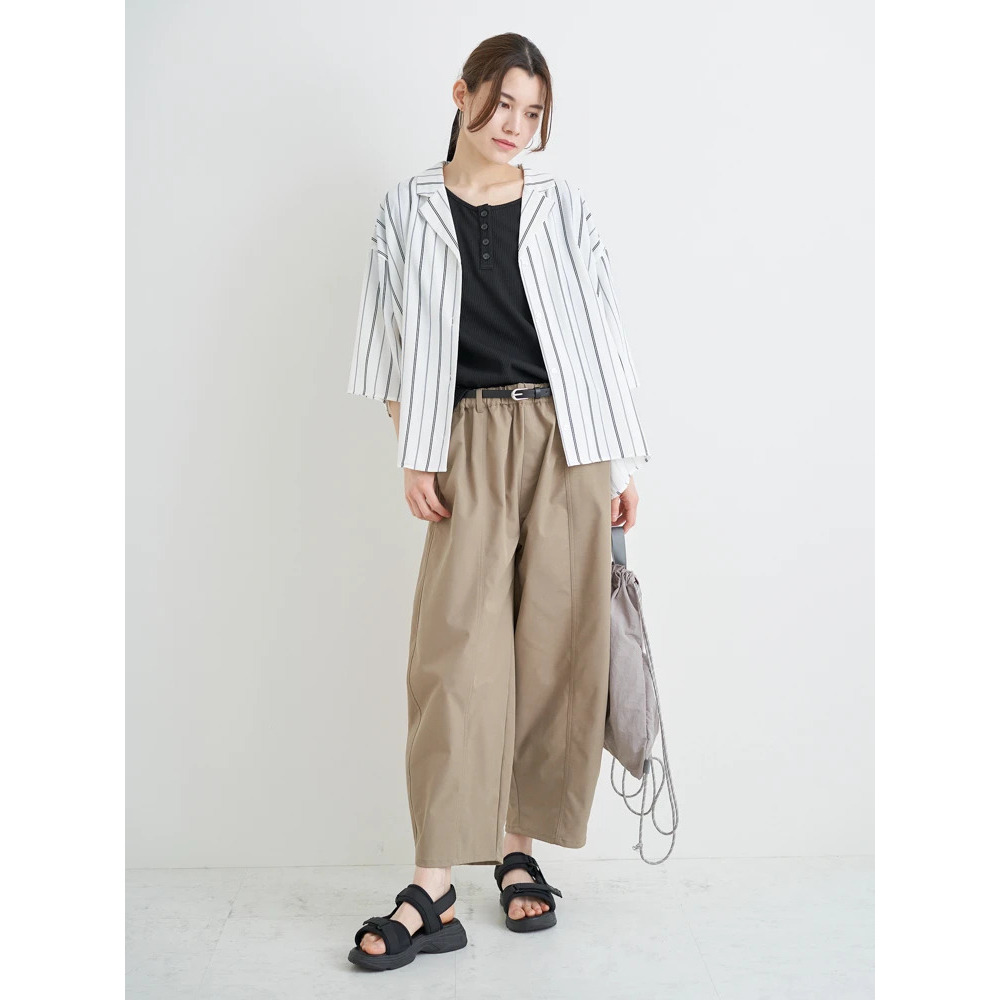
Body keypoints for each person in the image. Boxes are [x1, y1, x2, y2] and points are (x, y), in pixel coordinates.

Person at [345, 32, 650, 972]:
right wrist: (415, 452)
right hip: (466, 437)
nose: (516, 125)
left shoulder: (563, 207)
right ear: (463, 93)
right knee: (454, 658)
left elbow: (603, 332)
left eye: (533, 112)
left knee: (552, 649)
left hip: (569, 439)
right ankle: (432, 885)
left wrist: (622, 466)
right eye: (503, 103)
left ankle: (519, 852)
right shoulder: (406, 208)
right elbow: (388, 340)